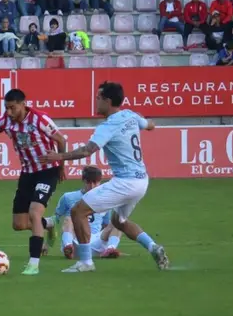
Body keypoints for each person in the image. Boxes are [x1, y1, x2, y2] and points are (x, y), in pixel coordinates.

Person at [39, 82, 169, 272]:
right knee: (118, 222)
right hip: (141, 181)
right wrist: (147, 123)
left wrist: (59, 156)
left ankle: (85, 262)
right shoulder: (130, 115)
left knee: (77, 211)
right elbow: (150, 124)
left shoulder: (107, 126)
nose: (96, 101)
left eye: (98, 98)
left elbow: (87, 150)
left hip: (125, 182)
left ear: (108, 101)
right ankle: (153, 247)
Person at [0, 89, 67, 276]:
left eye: (12, 108)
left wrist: (61, 165)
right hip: (27, 173)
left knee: (34, 212)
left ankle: (33, 264)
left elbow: (60, 139)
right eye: (6, 108)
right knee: (19, 224)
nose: (9, 112)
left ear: (23, 104)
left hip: (46, 171)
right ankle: (48, 224)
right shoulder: (5, 121)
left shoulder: (40, 119)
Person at [47, 166, 123, 263]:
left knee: (118, 221)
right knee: (69, 219)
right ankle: (68, 247)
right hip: (76, 241)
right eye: (89, 182)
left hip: (95, 242)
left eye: (95, 183)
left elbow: (105, 225)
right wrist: (47, 244)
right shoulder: (68, 197)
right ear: (83, 181)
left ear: (100, 182)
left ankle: (110, 249)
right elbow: (55, 220)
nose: (92, 186)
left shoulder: (105, 200)